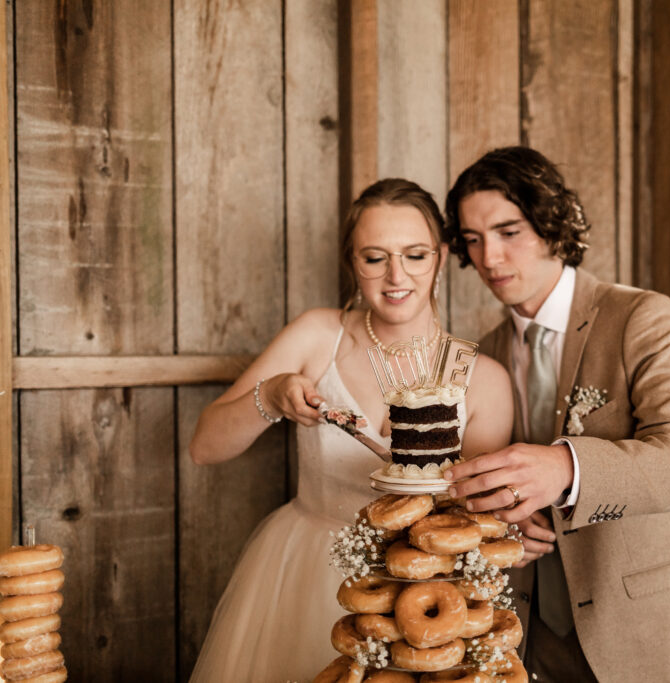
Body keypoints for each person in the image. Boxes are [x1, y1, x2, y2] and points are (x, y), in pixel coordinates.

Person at [187, 178, 513, 683]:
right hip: (302, 573)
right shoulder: (319, 336)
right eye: (374, 258)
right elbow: (205, 446)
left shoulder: (484, 379)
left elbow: (478, 518)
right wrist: (271, 396)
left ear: (442, 258)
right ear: (352, 263)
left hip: (425, 595)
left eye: (415, 255)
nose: (396, 276)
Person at [441, 147, 670, 682]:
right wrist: (501, 524)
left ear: (552, 225)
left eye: (508, 231)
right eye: (472, 239)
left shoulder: (639, 317)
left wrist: (565, 469)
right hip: (529, 640)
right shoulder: (480, 356)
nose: (489, 258)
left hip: (643, 633)